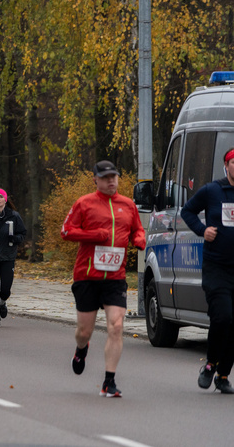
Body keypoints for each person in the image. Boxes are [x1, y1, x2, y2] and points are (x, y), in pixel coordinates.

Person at [61, 160, 145, 398]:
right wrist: (93, 235)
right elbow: (66, 231)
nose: (111, 181)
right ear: (95, 179)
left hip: (115, 277)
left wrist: (140, 239)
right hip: (87, 276)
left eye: (114, 177)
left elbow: (137, 229)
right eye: (106, 177)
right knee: (84, 331)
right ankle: (81, 349)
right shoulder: (84, 203)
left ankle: (109, 381)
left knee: (116, 326)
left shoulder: (128, 205)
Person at [182, 147, 234, 394]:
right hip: (217, 268)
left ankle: (223, 375)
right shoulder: (212, 190)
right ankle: (210, 364)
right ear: (227, 165)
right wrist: (202, 230)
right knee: (223, 317)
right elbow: (187, 211)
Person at [0, 188, 26, 327]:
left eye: (1, 196)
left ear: (5, 199)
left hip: (8, 256)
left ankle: (3, 302)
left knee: (6, 289)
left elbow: (22, 234)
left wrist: (14, 239)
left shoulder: (14, 216)